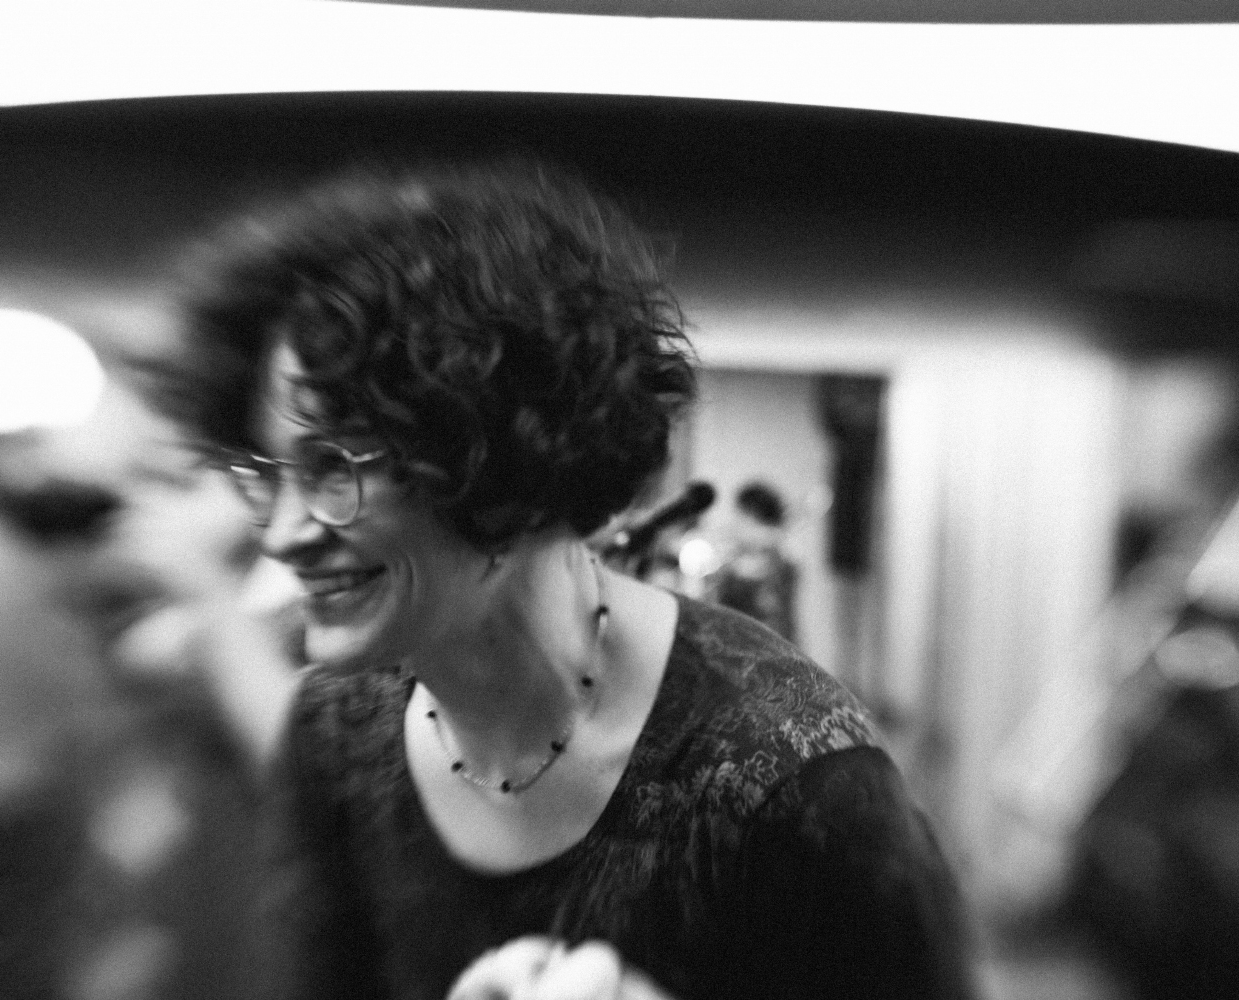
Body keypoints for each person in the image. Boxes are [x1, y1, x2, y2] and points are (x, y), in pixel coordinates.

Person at [155, 163, 974, 1000]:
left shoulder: (792, 780)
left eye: (335, 465)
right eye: (267, 474)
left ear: (493, 456)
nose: (284, 535)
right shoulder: (335, 737)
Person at [708, 480, 800, 642]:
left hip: (769, 643)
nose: (736, 523)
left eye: (743, 517)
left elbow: (771, 606)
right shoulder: (731, 559)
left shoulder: (782, 561)